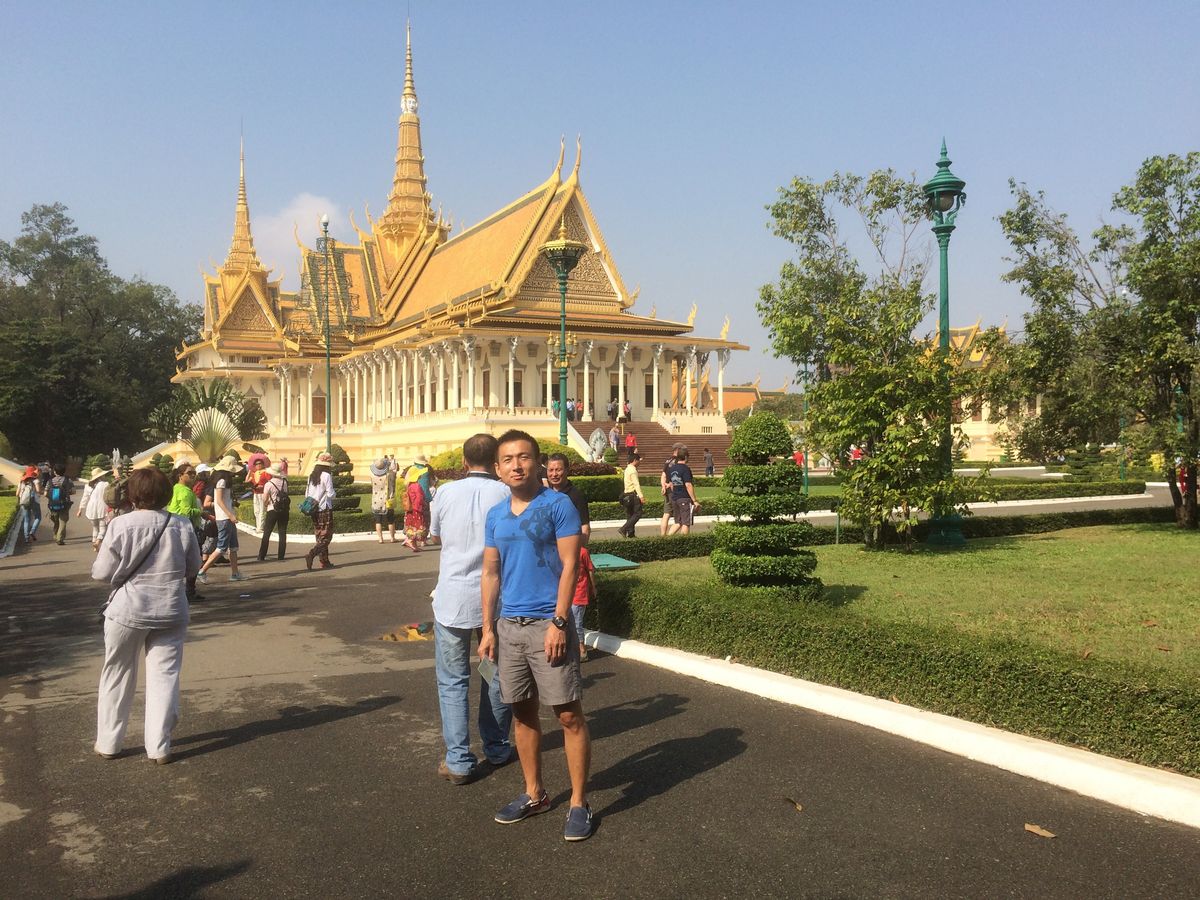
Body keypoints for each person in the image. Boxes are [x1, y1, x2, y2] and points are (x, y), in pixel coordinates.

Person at [478, 429, 592, 842]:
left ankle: (578, 802)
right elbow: (490, 572)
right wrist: (487, 628)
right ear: (497, 468)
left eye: (524, 457)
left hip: (548, 624)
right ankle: (535, 793)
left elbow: (570, 565)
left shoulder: (558, 505)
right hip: (509, 626)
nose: (516, 465)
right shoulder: (496, 515)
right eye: (508, 460)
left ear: (538, 462)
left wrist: (560, 622)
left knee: (567, 714)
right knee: (522, 713)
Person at [92, 467, 200, 764]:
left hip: (127, 609)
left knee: (117, 673)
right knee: (164, 676)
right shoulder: (182, 525)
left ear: (132, 495)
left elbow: (101, 573)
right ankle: (159, 747)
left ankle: (109, 743)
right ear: (167, 493)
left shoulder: (120, 524)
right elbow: (193, 568)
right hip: (170, 608)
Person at [428, 433, 514, 785]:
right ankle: (496, 746)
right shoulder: (505, 493)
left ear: (464, 462)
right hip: (497, 598)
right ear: (496, 461)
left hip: (453, 597)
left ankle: (459, 760)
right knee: (494, 673)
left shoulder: (445, 493)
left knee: (452, 681)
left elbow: (436, 536)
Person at [196, 456, 247, 584]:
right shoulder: (222, 481)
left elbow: (222, 500)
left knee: (233, 547)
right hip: (224, 518)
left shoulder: (223, 481)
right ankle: (202, 571)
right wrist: (230, 515)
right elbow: (218, 500)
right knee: (221, 547)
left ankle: (235, 573)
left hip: (226, 518)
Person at [167, 463, 204, 602]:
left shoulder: (176, 488)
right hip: (187, 528)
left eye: (194, 473)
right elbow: (186, 511)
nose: (193, 475)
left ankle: (178, 590)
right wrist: (201, 512)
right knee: (193, 559)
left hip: (174, 527)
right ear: (180, 475)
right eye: (190, 473)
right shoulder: (185, 492)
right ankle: (190, 591)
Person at [545, 454, 590, 545]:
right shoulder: (544, 495)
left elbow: (584, 527)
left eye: (558, 470)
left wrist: (579, 548)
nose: (554, 474)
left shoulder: (576, 495)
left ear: (566, 470)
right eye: (551, 470)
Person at [305, 452, 336, 570]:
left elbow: (307, 493)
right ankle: (312, 554)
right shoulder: (326, 476)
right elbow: (330, 493)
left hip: (313, 508)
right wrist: (335, 494)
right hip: (324, 507)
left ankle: (325, 561)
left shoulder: (311, 475)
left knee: (319, 534)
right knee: (326, 536)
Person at [402, 455, 435, 551]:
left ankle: (412, 541)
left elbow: (405, 483)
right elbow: (431, 483)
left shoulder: (411, 470)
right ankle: (421, 540)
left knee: (412, 521)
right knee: (424, 520)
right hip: (423, 500)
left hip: (411, 501)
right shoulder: (425, 470)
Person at [257, 463, 290, 562]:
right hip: (284, 510)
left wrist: (266, 504)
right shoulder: (284, 482)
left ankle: (262, 555)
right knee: (282, 533)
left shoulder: (269, 484)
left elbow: (265, 499)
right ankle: (281, 555)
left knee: (267, 533)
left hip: (272, 510)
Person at [666, 446, 699, 535]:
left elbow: (671, 484)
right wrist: (694, 500)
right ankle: (683, 541)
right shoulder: (685, 469)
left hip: (675, 498)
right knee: (686, 523)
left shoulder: (672, 468)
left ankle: (667, 539)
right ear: (686, 457)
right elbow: (688, 485)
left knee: (678, 522)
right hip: (684, 497)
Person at [571, 544, 596, 661]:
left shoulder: (583, 552)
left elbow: (590, 570)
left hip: (579, 594)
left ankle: (582, 650)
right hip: (566, 594)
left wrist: (593, 587)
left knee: (577, 623)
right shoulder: (561, 550)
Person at [77, 467, 112, 552]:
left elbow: (85, 498)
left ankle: (94, 543)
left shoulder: (88, 485)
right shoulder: (106, 484)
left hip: (91, 509)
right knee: (103, 528)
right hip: (102, 508)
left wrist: (80, 509)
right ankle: (98, 542)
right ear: (101, 476)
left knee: (95, 528)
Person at [370, 457, 399, 544]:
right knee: (391, 520)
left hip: (376, 500)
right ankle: (392, 537)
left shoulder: (372, 476)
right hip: (388, 500)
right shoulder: (389, 475)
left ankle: (380, 538)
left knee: (378, 520)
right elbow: (394, 474)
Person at [46, 463, 75, 545]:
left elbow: (45, 493)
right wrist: (66, 493)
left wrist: (52, 497)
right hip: (64, 504)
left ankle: (56, 535)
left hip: (52, 504)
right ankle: (60, 538)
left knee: (56, 521)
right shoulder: (68, 480)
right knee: (63, 521)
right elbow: (73, 491)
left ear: (55, 472)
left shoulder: (50, 481)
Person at [619, 452, 644, 538]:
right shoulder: (633, 470)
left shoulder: (627, 469)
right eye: (639, 460)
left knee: (630, 514)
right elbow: (636, 484)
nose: (639, 462)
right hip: (633, 494)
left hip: (626, 494)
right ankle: (624, 528)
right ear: (635, 460)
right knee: (638, 513)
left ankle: (631, 533)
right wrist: (641, 496)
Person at [18, 465, 42, 544]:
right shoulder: (35, 480)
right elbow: (38, 490)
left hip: (24, 501)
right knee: (38, 517)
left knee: (26, 520)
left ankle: (26, 538)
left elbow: (17, 493)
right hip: (34, 500)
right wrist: (41, 492)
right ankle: (32, 531)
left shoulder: (22, 481)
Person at [249, 457, 271, 533]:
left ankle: (261, 528)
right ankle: (258, 526)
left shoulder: (266, 472)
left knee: (262, 510)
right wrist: (250, 471)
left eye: (259, 463)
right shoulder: (254, 473)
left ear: (263, 464)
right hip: (256, 493)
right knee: (256, 511)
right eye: (256, 464)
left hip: (263, 493)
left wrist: (263, 486)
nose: (258, 465)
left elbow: (270, 483)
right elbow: (247, 480)